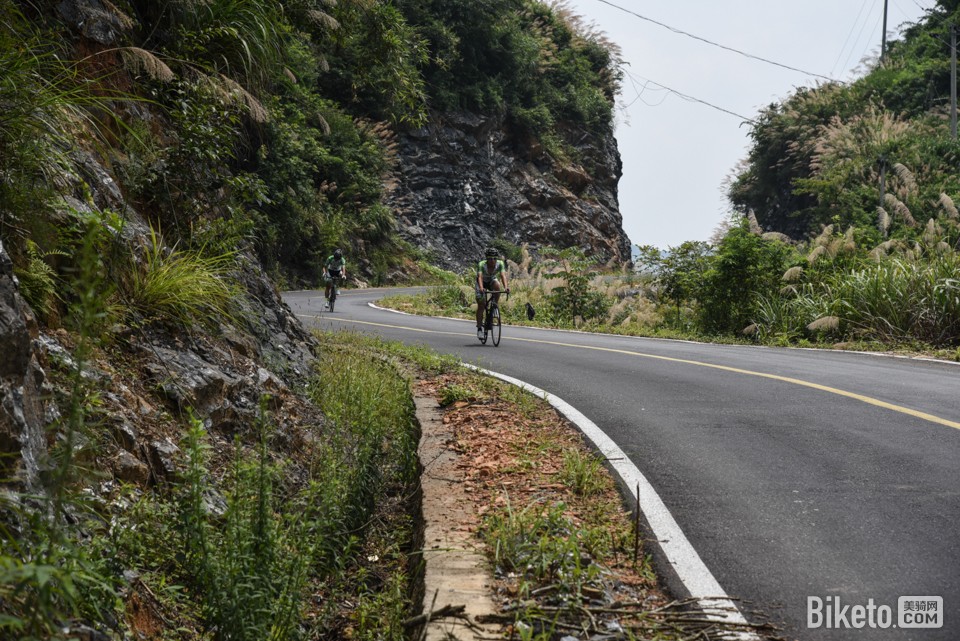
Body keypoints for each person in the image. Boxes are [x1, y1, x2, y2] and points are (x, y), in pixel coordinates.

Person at [476, 247, 508, 339]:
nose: (492, 260)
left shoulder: (500, 264)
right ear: (486, 259)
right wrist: (481, 288)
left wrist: (506, 287)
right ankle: (479, 329)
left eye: (494, 258)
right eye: (489, 258)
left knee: (497, 285)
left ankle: (494, 306)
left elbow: (503, 276)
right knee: (481, 305)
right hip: (481, 283)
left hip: (491, 280)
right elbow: (480, 277)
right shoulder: (482, 264)